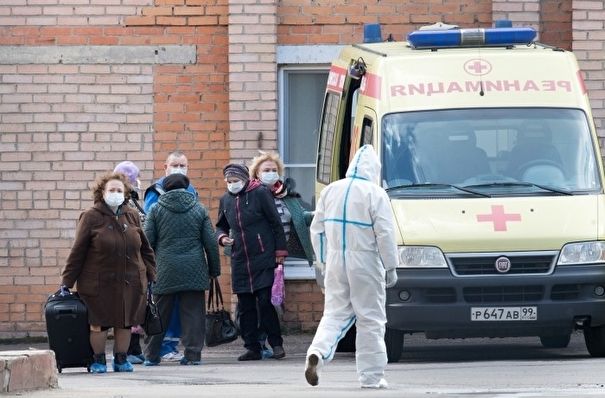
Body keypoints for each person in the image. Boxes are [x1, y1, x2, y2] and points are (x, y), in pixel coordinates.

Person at [304, 145, 399, 389]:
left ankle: (317, 352)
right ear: (374, 169)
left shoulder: (331, 191)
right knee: (370, 319)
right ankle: (371, 376)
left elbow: (317, 229)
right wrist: (391, 266)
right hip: (365, 261)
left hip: (336, 260)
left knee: (334, 314)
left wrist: (324, 260)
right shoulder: (375, 193)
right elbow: (385, 233)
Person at [61, 171, 156, 374]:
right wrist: (67, 281)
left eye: (119, 190)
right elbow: (77, 251)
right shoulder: (90, 216)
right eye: (111, 190)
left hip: (130, 281)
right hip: (98, 282)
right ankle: (98, 360)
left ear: (125, 193)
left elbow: (145, 248)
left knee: (125, 322)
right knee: (99, 324)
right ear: (102, 193)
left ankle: (121, 360)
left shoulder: (131, 215)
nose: (115, 193)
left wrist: (151, 275)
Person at [142, 173, 220, 366]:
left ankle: (151, 356)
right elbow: (210, 242)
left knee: (158, 313)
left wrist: (146, 270)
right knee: (193, 314)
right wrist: (214, 271)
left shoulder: (156, 209)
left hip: (165, 268)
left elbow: (147, 242)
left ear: (166, 189)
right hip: (194, 268)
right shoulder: (198, 209)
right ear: (186, 188)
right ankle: (193, 356)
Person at [215, 163, 288, 361]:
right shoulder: (225, 200)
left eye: (235, 181)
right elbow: (220, 226)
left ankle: (276, 344)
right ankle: (252, 347)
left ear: (245, 179)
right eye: (229, 182)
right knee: (245, 306)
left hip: (263, 256)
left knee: (265, 302)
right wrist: (222, 238)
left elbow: (275, 223)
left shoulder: (261, 193)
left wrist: (280, 251)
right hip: (240, 259)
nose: (232, 185)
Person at [247, 150, 315, 358]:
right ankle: (263, 343)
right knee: (260, 301)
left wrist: (314, 215)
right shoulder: (249, 195)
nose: (271, 173)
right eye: (266, 170)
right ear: (256, 173)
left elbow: (297, 217)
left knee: (270, 300)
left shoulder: (286, 195)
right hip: (258, 256)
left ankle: (269, 342)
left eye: (274, 170)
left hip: (279, 257)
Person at [144, 151, 198, 362]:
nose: (179, 169)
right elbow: (151, 226)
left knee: (181, 306)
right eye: (174, 165)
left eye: (182, 165)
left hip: (187, 257)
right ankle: (163, 346)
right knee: (164, 305)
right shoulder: (155, 191)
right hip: (164, 257)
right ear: (164, 167)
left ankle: (172, 345)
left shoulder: (191, 189)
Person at [113, 160, 147, 365]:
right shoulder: (120, 204)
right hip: (123, 262)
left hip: (135, 261)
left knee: (133, 306)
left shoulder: (132, 201)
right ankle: (127, 351)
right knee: (126, 308)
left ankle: (132, 349)